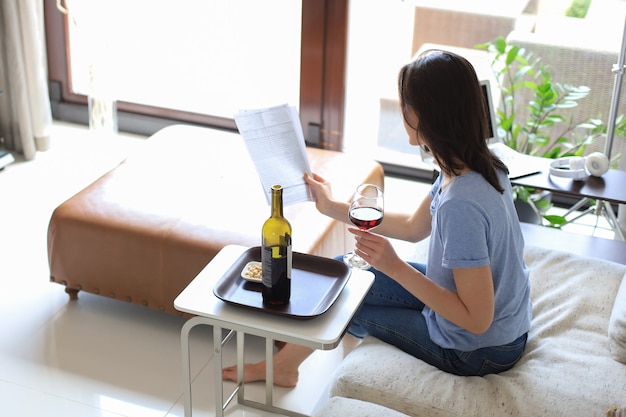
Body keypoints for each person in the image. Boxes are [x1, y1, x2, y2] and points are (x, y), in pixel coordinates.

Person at [223, 49, 531, 387]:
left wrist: (395, 266)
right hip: (501, 324)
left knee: (349, 304)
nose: (403, 112)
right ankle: (286, 366)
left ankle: (281, 369)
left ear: (423, 114)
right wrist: (331, 207)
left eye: (405, 104)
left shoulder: (461, 204)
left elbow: (477, 319)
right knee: (348, 270)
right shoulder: (475, 163)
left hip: (480, 349)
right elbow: (414, 228)